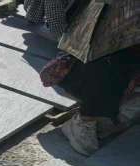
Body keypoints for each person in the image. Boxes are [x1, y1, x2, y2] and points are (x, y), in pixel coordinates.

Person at [41, 0, 140, 154]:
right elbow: (56, 21)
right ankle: (86, 120)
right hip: (88, 63)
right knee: (89, 140)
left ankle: (108, 115)